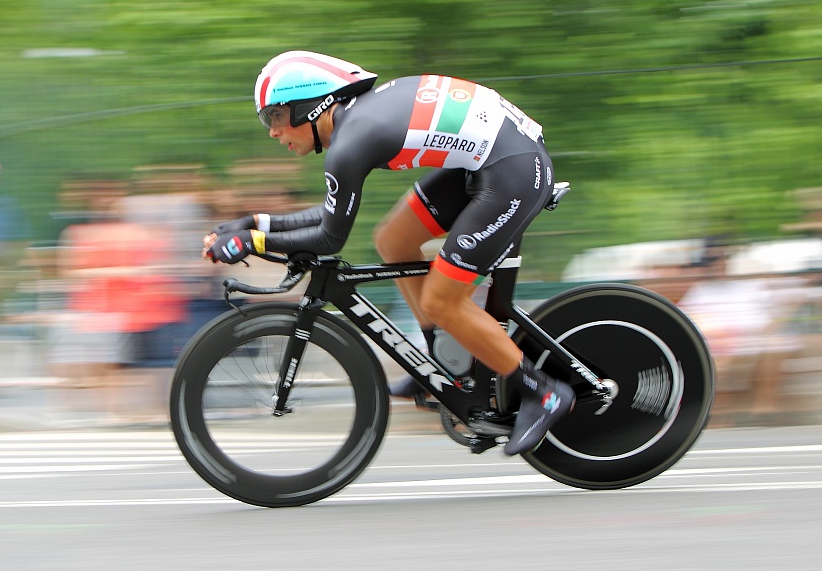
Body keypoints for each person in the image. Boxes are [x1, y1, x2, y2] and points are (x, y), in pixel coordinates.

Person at [203, 51, 573, 456]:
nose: (273, 132)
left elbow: (329, 239)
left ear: (313, 105)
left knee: (442, 298)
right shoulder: (354, 122)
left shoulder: (353, 139)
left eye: (275, 117)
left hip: (513, 169)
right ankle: (445, 362)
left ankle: (544, 392)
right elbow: (330, 213)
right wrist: (255, 222)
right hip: (489, 160)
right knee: (393, 241)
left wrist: (252, 243)